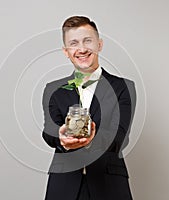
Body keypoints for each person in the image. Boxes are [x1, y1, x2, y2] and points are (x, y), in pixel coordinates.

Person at [42, 16, 136, 200]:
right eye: (74, 43)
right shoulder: (53, 90)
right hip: (64, 184)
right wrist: (61, 138)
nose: (82, 49)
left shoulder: (124, 87)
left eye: (88, 41)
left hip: (109, 185)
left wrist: (92, 140)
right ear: (66, 51)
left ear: (99, 45)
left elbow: (120, 137)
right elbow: (49, 131)